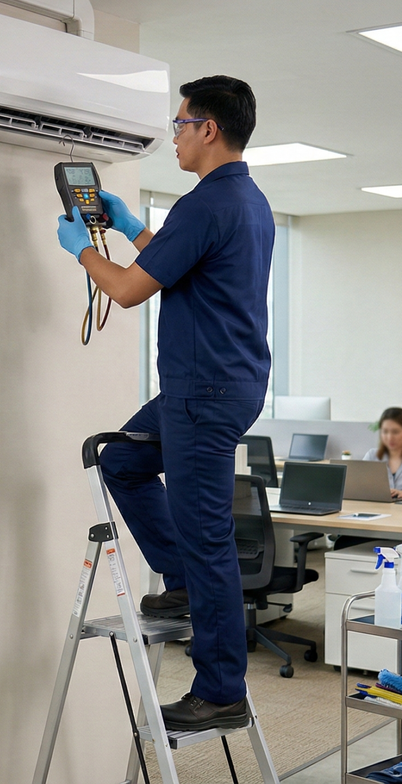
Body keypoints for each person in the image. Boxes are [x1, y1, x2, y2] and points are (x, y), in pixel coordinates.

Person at [55, 76, 271, 731]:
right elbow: (172, 265)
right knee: (119, 461)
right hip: (214, 384)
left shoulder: (207, 203)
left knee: (208, 535)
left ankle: (222, 687)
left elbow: (125, 291)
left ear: (208, 127)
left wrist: (83, 249)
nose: (174, 135)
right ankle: (177, 579)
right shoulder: (243, 199)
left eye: (180, 124)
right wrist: (130, 227)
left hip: (203, 391)